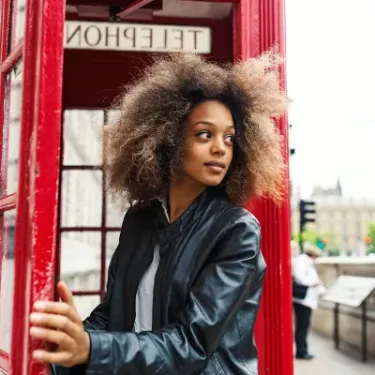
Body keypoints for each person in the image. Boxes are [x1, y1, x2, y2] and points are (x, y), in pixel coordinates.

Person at [29, 51, 286, 374]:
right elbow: (113, 315)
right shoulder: (140, 220)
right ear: (167, 138)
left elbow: (191, 344)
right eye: (205, 134)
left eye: (230, 138)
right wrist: (62, 344)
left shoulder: (235, 230)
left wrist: (91, 348)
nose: (221, 147)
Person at [292, 244, 326, 360]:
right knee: (302, 326)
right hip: (302, 300)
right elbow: (299, 277)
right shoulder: (303, 261)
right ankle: (301, 351)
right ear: (313, 254)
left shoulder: (306, 262)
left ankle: (303, 349)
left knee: (304, 325)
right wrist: (314, 283)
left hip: (306, 299)